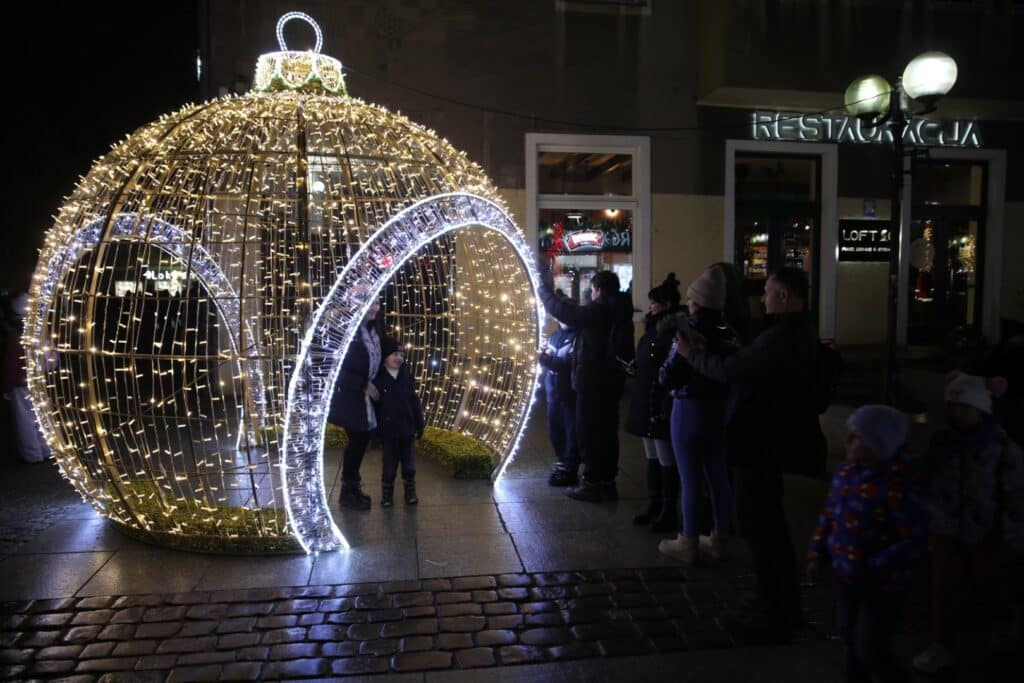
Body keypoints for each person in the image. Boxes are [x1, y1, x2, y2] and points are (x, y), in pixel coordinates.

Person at [675, 266, 825, 641]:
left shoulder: (782, 337)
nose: (764, 298)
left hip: (760, 443)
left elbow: (733, 370)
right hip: (767, 440)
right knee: (768, 528)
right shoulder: (794, 333)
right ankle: (775, 604)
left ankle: (773, 613)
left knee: (763, 531)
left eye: (770, 291)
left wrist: (691, 354)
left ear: (785, 296)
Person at [912, 372, 1024, 674]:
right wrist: (928, 515)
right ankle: (943, 645)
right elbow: (924, 480)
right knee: (944, 591)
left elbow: (1014, 494)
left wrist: (1011, 537)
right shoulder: (941, 442)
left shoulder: (1002, 447)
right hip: (947, 531)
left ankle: (983, 646)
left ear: (982, 409)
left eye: (965, 407)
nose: (957, 412)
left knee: (985, 591)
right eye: (953, 406)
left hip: (987, 535)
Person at [807, 405, 927, 683]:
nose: (847, 442)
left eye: (856, 437)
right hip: (847, 575)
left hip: (881, 583)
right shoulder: (845, 473)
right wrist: (817, 551)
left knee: (870, 647)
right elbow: (829, 514)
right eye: (848, 435)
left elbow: (913, 538)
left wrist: (874, 566)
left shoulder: (896, 485)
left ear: (879, 445)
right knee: (847, 633)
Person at [658, 267, 739, 563]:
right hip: (719, 410)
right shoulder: (729, 332)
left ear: (697, 302)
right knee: (718, 477)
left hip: (689, 407)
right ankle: (721, 537)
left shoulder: (689, 333)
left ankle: (688, 540)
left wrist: (671, 363)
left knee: (690, 479)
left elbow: (669, 376)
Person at [537, 265, 633, 502]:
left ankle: (591, 482)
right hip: (611, 383)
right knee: (608, 433)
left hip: (591, 383)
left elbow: (563, 311)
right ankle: (607, 482)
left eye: (592, 290)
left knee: (588, 433)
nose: (591, 295)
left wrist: (542, 289)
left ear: (598, 290)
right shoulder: (621, 310)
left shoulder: (598, 311)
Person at [626, 274, 681, 532]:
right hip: (644, 397)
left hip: (658, 401)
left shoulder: (671, 331)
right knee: (651, 455)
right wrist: (636, 366)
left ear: (667, 304)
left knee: (665, 456)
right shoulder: (652, 328)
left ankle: (668, 509)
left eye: (655, 302)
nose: (650, 306)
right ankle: (655, 504)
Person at [329, 299, 385, 509]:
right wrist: (363, 384)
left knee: (360, 441)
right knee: (358, 440)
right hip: (350, 396)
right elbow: (336, 368)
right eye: (369, 303)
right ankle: (348, 491)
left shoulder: (373, 329)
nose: (374, 308)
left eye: (377, 303)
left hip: (364, 397)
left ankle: (352, 488)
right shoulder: (348, 332)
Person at [372, 337, 425, 507]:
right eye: (395, 354)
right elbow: (375, 407)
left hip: (407, 429)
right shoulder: (379, 379)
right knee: (389, 466)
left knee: (409, 466)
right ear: (385, 357)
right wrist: (375, 431)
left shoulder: (406, 376)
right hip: (388, 432)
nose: (399, 358)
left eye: (401, 354)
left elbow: (414, 401)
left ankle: (410, 492)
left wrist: (419, 422)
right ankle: (387, 495)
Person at [2, 293, 50, 463]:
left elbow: (11, 362)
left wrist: (7, 386)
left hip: (22, 382)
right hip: (38, 379)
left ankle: (33, 454)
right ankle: (45, 450)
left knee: (25, 419)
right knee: (40, 417)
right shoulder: (38, 330)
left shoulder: (16, 334)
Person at [539, 320, 580, 486]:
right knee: (555, 430)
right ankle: (562, 462)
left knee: (571, 430)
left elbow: (568, 364)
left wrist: (544, 359)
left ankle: (570, 467)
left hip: (568, 393)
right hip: (553, 393)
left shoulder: (577, 337)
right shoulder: (555, 336)